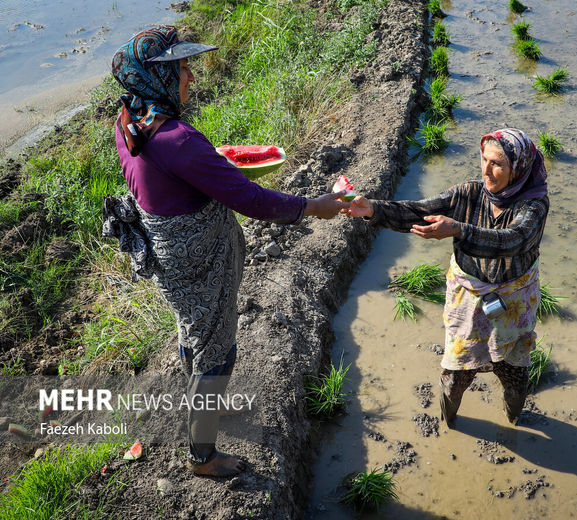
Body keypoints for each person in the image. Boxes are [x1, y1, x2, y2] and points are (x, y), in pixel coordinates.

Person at [102, 26, 349, 477]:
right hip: (197, 260)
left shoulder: (130, 120)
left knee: (193, 330)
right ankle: (203, 456)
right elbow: (253, 201)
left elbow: (167, 178)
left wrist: (203, 168)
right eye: (182, 68)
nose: (191, 76)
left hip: (168, 255)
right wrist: (316, 207)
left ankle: (203, 402)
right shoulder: (177, 140)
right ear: (155, 76)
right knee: (218, 353)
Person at [345, 128, 549, 427]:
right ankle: (449, 420)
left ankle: (514, 417)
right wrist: (373, 209)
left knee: (514, 372)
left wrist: (458, 230)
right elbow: (419, 211)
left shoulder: (533, 205)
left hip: (513, 301)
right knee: (455, 374)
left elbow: (512, 240)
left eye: (498, 164)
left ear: (518, 169)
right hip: (469, 298)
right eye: (484, 159)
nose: (487, 171)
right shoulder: (468, 194)